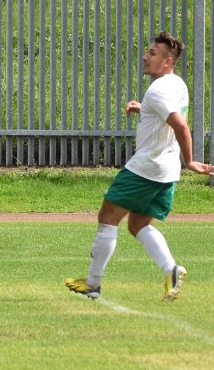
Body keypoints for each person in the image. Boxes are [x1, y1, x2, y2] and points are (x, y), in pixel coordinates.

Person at [65, 31, 214, 301]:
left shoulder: (158, 89)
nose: (145, 57)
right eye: (147, 51)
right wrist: (144, 109)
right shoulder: (176, 83)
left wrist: (190, 161)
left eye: (153, 54)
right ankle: (171, 269)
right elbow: (167, 113)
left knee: (107, 217)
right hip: (166, 171)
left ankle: (92, 284)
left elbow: (180, 124)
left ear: (168, 61)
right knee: (137, 224)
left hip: (147, 166)